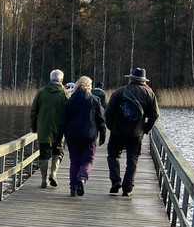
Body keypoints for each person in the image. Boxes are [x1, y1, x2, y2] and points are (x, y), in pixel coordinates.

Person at [104, 67, 160, 196]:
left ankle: (115, 181)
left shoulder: (120, 92)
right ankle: (127, 188)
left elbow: (109, 112)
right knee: (132, 159)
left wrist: (111, 126)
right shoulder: (149, 94)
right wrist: (146, 128)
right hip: (136, 133)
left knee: (113, 156)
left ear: (131, 79)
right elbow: (155, 115)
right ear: (143, 81)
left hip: (118, 131)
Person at [57, 76, 106, 197]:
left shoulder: (70, 101)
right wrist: (103, 134)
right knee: (87, 160)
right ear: (89, 86)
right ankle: (82, 178)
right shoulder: (95, 100)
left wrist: (58, 137)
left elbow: (63, 121)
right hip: (89, 136)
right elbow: (100, 120)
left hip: (72, 136)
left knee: (74, 162)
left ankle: (73, 188)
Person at [30, 69, 70, 188]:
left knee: (44, 153)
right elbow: (69, 112)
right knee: (58, 151)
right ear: (61, 80)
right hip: (59, 128)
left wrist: (34, 126)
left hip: (43, 128)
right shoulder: (64, 93)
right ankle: (53, 173)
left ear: (50, 79)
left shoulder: (41, 92)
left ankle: (43, 179)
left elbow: (33, 111)